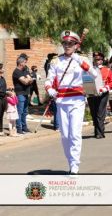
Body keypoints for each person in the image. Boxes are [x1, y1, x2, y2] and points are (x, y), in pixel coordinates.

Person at [45, 30, 98, 175]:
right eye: (65, 43)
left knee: (75, 134)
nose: (67, 46)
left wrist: (79, 60)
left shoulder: (82, 59)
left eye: (70, 43)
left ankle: (75, 165)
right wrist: (50, 90)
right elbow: (49, 80)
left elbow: (94, 74)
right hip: (62, 100)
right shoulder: (56, 61)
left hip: (77, 100)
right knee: (65, 136)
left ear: (76, 45)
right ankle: (70, 162)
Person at [87, 52, 112, 139]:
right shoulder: (90, 70)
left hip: (103, 93)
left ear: (102, 60)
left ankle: (100, 132)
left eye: (99, 59)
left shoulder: (107, 70)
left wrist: (106, 88)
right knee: (93, 112)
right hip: (92, 93)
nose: (97, 61)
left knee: (100, 113)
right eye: (95, 59)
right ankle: (97, 131)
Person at [12, 53, 33, 134]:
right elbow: (25, 81)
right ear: (21, 63)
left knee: (25, 112)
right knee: (19, 112)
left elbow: (30, 79)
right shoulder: (16, 72)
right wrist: (28, 80)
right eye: (25, 62)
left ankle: (24, 127)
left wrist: (28, 80)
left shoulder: (24, 70)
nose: (26, 63)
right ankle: (19, 128)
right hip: (20, 93)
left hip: (26, 93)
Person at [0, 63, 8, 136]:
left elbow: (4, 89)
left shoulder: (2, 78)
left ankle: (1, 129)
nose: (3, 69)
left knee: (1, 114)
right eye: (2, 68)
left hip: (3, 99)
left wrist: (8, 92)